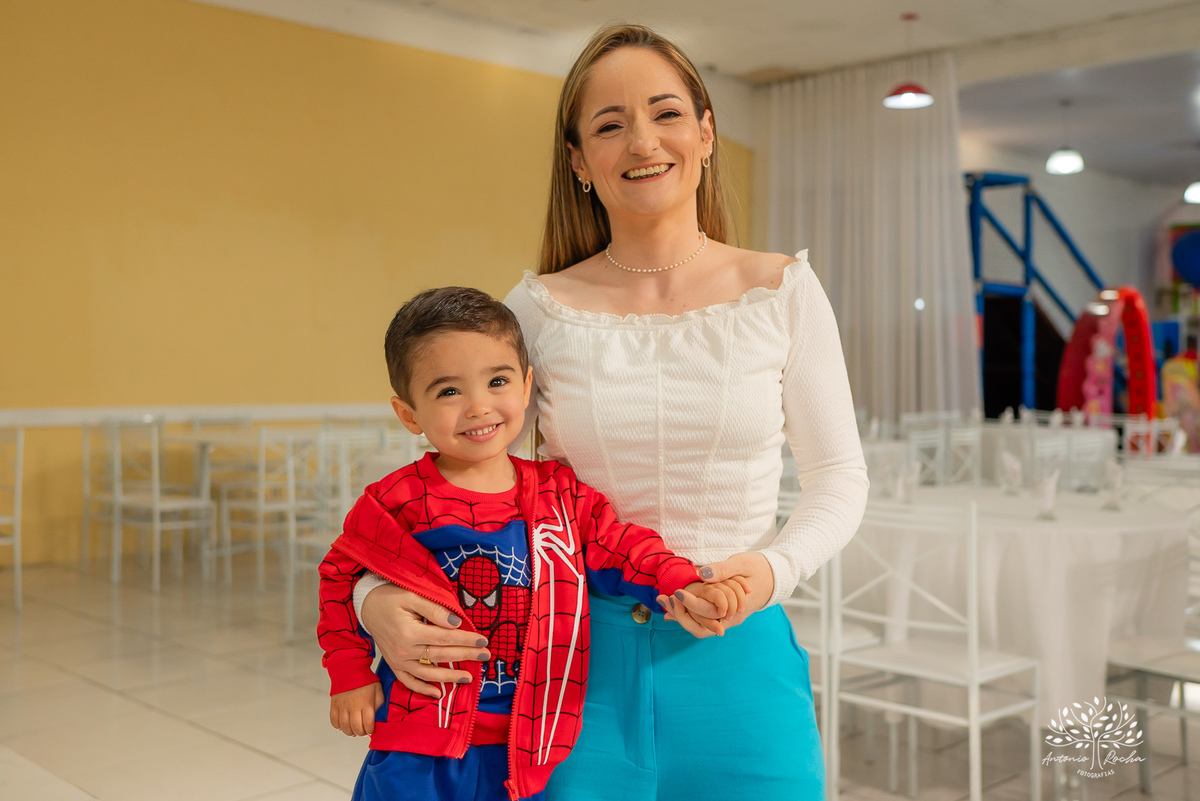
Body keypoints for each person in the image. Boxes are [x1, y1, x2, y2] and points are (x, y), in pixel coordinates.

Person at [354, 23, 868, 801]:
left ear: (705, 131)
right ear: (578, 160)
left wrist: (771, 569)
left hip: (741, 660)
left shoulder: (783, 291)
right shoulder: (538, 309)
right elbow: (451, 476)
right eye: (608, 124)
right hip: (565, 665)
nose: (641, 141)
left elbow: (839, 477)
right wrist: (374, 598)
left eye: (665, 113)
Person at [317, 286, 745, 801]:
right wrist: (349, 674)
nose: (478, 406)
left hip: (529, 739)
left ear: (526, 388)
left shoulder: (560, 494)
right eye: (448, 392)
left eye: (496, 381)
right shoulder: (394, 501)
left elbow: (621, 547)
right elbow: (339, 577)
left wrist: (680, 580)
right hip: (418, 732)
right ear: (409, 414)